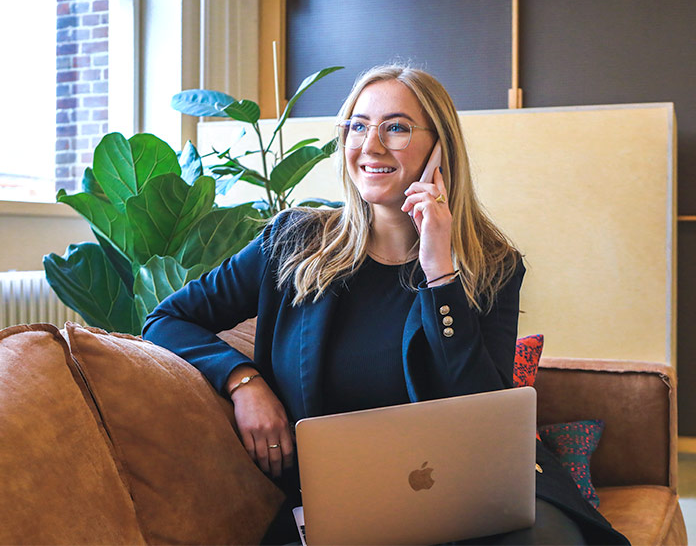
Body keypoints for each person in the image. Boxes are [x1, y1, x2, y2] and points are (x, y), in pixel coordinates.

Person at [142, 65, 628, 545]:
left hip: (476, 495)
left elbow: (485, 414)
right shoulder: (292, 243)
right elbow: (166, 319)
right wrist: (243, 382)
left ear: (440, 148)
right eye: (357, 126)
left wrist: (441, 273)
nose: (370, 145)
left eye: (395, 127)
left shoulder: (492, 264)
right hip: (345, 506)